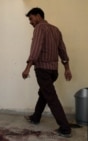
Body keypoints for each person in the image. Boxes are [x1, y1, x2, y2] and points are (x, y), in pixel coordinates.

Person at [22, 7, 72, 138]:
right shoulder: (56, 30)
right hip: (53, 71)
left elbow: (36, 48)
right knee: (44, 93)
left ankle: (65, 128)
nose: (30, 22)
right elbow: (62, 50)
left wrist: (27, 68)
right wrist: (67, 68)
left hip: (43, 70)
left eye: (31, 18)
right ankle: (35, 117)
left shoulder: (39, 28)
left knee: (51, 97)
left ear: (38, 16)